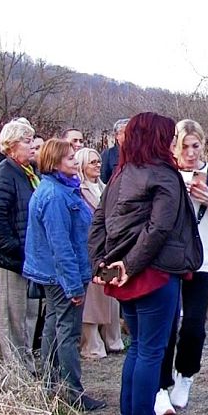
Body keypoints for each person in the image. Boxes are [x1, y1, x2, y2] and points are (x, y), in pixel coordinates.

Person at [88, 112, 198, 415]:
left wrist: (100, 264)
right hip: (155, 274)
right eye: (170, 138)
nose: (173, 143)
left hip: (127, 274)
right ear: (157, 139)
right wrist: (128, 265)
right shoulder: (164, 174)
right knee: (150, 350)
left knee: (138, 347)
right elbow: (158, 228)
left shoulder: (122, 173)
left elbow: (99, 222)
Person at [155, 120, 208, 415]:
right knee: (165, 324)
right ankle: (160, 386)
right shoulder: (166, 172)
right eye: (184, 146)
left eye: (195, 146)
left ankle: (185, 374)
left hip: (203, 260)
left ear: (203, 145)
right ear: (174, 147)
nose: (190, 153)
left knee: (194, 325)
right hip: (168, 260)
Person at [23, 139, 106, 411]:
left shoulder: (62, 189)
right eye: (70, 158)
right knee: (68, 333)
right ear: (55, 162)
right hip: (62, 276)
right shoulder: (55, 196)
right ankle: (72, 392)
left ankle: (51, 385)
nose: (75, 161)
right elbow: (61, 246)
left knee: (54, 326)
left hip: (60, 274)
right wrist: (73, 286)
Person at [0, 119, 42, 371]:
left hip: (30, 258)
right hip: (10, 259)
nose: (32, 146)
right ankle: (16, 370)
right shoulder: (4, 173)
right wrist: (14, 248)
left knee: (29, 312)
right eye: (27, 141)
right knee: (13, 314)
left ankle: (27, 363)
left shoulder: (29, 173)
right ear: (11, 145)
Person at [75, 147, 123, 360]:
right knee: (93, 301)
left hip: (111, 249)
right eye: (92, 162)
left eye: (98, 161)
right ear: (82, 165)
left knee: (111, 295)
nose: (97, 165)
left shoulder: (105, 187)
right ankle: (91, 344)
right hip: (92, 250)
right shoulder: (78, 190)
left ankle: (113, 339)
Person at [101, 118, 129, 184]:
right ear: (117, 135)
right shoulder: (108, 154)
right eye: (126, 132)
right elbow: (103, 179)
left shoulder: (139, 154)